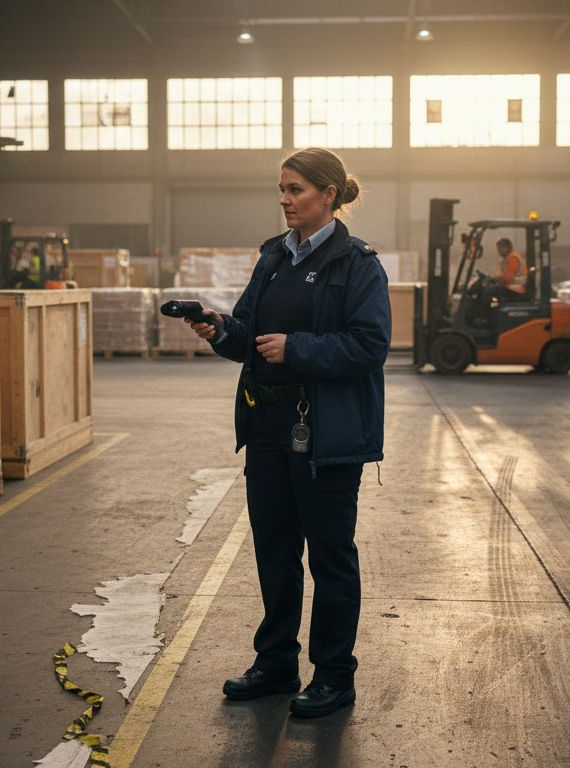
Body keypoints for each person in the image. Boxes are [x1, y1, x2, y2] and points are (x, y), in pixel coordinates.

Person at [182, 147, 391, 719]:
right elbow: (251, 329)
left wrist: (296, 348)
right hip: (271, 427)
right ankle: (276, 664)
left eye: (296, 189)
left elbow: (371, 345)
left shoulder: (358, 265)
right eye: (282, 188)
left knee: (329, 557)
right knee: (275, 552)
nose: (285, 199)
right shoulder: (274, 257)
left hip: (326, 435)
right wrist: (221, 330)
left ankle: (334, 675)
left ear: (328, 195)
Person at [486, 237, 527, 304]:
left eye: (500, 248)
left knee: (488, 292)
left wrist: (496, 280)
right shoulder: (505, 259)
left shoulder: (512, 258)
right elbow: (501, 275)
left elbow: (508, 279)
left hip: (516, 290)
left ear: (507, 247)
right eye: (498, 248)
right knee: (491, 290)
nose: (498, 251)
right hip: (510, 288)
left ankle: (485, 313)